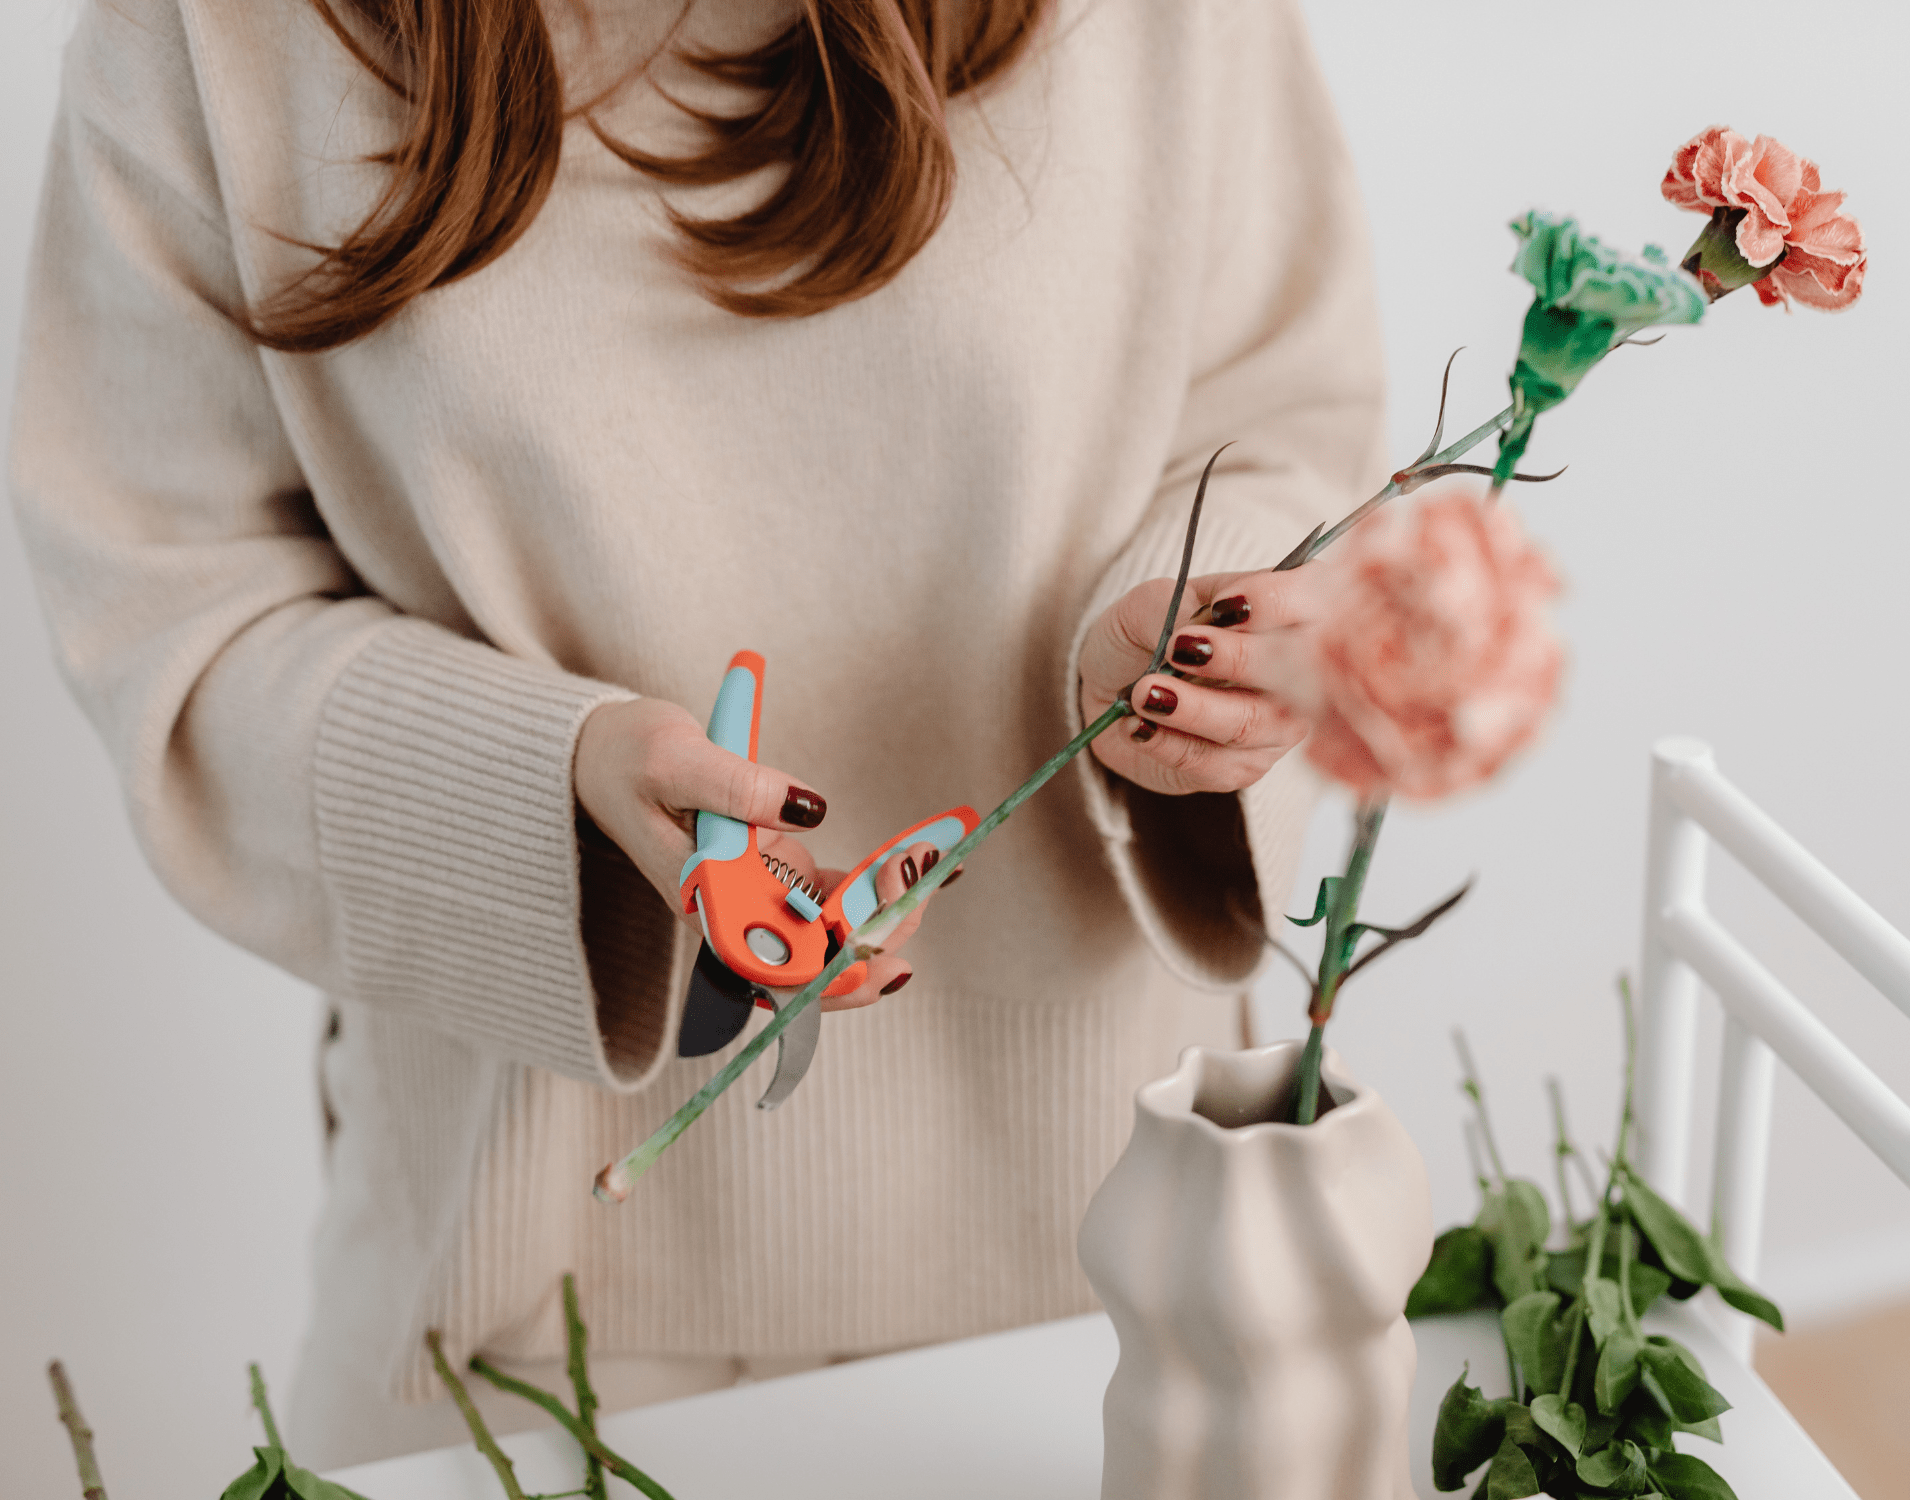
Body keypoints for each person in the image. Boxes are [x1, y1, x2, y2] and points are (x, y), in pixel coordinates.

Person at [8, 0, 1385, 1467]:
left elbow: (1282, 413)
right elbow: (177, 609)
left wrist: (1198, 631)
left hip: (1131, 1256)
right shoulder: (213, 39)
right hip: (528, 1294)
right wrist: (545, 785)